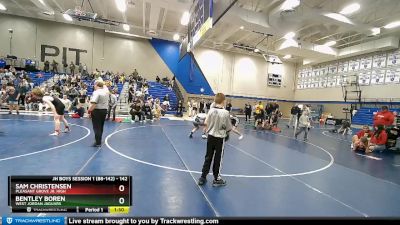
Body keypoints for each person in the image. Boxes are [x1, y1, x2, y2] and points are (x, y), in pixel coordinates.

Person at [198, 93, 232, 187]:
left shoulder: (211, 110)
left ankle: (203, 177)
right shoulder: (225, 112)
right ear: (223, 101)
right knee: (218, 158)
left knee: (208, 156)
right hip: (220, 138)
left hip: (210, 136)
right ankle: (216, 178)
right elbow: (229, 128)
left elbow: (206, 122)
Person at [88, 80, 109, 147]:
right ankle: (99, 140)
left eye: (94, 85)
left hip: (97, 111)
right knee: (101, 126)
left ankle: (98, 143)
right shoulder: (106, 91)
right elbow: (104, 86)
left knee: (96, 127)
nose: (93, 86)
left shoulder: (96, 92)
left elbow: (94, 103)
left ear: (96, 85)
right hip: (104, 111)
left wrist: (89, 111)